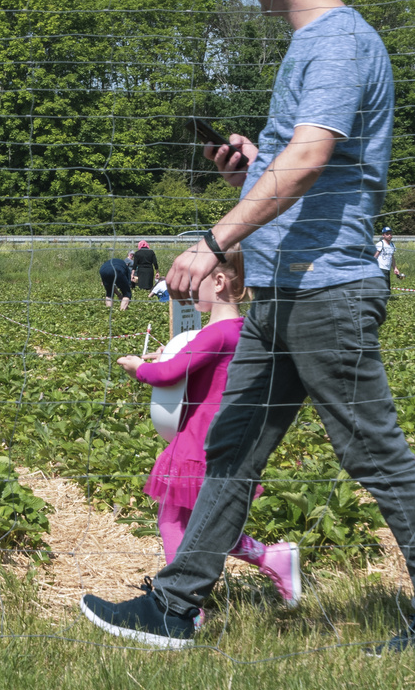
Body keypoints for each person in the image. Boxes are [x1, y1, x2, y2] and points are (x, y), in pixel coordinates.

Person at [81, 0, 415, 654]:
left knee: (377, 456)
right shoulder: (316, 45)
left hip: (326, 293)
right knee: (231, 448)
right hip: (284, 296)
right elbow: (292, 158)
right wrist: (251, 162)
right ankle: (175, 607)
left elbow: (309, 161)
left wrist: (212, 240)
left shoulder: (335, 43)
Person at [112, 252, 300, 605]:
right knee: (208, 520)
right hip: (221, 438)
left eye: (197, 279)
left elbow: (167, 374)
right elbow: (205, 373)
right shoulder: (243, 331)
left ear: (218, 282)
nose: (189, 287)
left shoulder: (213, 335)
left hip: (195, 442)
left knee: (174, 520)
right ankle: (262, 560)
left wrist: (138, 366)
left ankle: (181, 601)